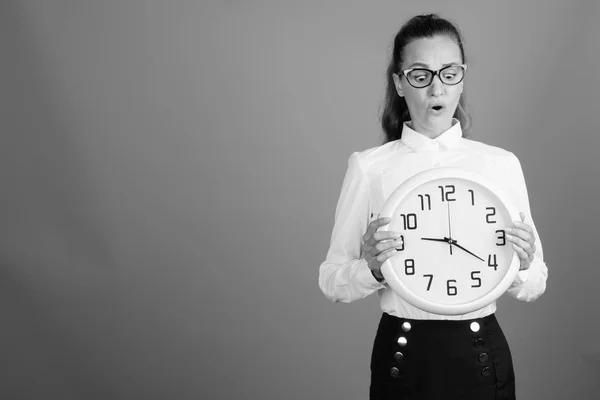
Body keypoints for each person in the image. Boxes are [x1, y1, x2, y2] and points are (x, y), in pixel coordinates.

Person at [318, 14, 548, 400]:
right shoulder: (370, 167)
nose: (436, 88)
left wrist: (522, 266)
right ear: (399, 82)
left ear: (463, 79)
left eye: (449, 73)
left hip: (481, 356)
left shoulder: (500, 164)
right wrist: (373, 267)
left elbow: (537, 280)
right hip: (404, 357)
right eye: (421, 75)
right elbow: (332, 281)